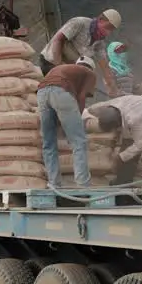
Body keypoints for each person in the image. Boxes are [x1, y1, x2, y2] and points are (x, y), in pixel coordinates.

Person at [36, 57, 98, 189]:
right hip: (60, 91)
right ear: (91, 68)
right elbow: (81, 97)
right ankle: (83, 184)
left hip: (41, 92)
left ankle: (53, 183)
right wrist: (76, 120)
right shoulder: (90, 74)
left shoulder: (67, 69)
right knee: (78, 141)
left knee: (48, 143)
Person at [87, 94, 142, 186]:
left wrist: (120, 157)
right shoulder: (105, 106)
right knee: (128, 152)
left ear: (119, 125)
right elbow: (89, 109)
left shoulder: (134, 119)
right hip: (135, 112)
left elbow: (141, 144)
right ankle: (123, 181)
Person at [38, 9, 122, 96]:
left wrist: (112, 87)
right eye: (107, 27)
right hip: (50, 62)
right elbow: (58, 40)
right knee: (51, 94)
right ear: (100, 20)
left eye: (111, 30)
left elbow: (104, 66)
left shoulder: (99, 42)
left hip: (67, 69)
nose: (107, 32)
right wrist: (59, 65)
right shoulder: (79, 23)